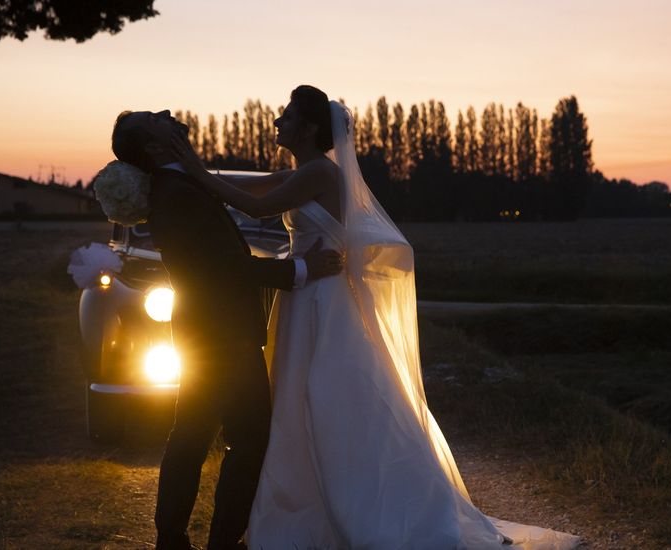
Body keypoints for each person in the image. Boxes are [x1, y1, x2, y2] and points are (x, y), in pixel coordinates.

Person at [172, 85, 580, 549]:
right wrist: (194, 172)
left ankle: (352, 510)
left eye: (285, 115)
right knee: (297, 400)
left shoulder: (318, 173)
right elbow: (254, 186)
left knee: (324, 401)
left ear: (306, 129)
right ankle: (309, 508)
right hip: (305, 295)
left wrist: (191, 170)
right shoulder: (303, 171)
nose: (276, 122)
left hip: (322, 302)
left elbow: (256, 205)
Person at [110, 109, 344, 550]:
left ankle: (175, 538)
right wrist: (300, 268)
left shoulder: (183, 183)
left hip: (209, 331)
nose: (167, 113)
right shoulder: (176, 192)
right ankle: (217, 541)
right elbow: (226, 267)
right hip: (222, 335)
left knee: (193, 435)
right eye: (155, 118)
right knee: (246, 439)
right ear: (156, 148)